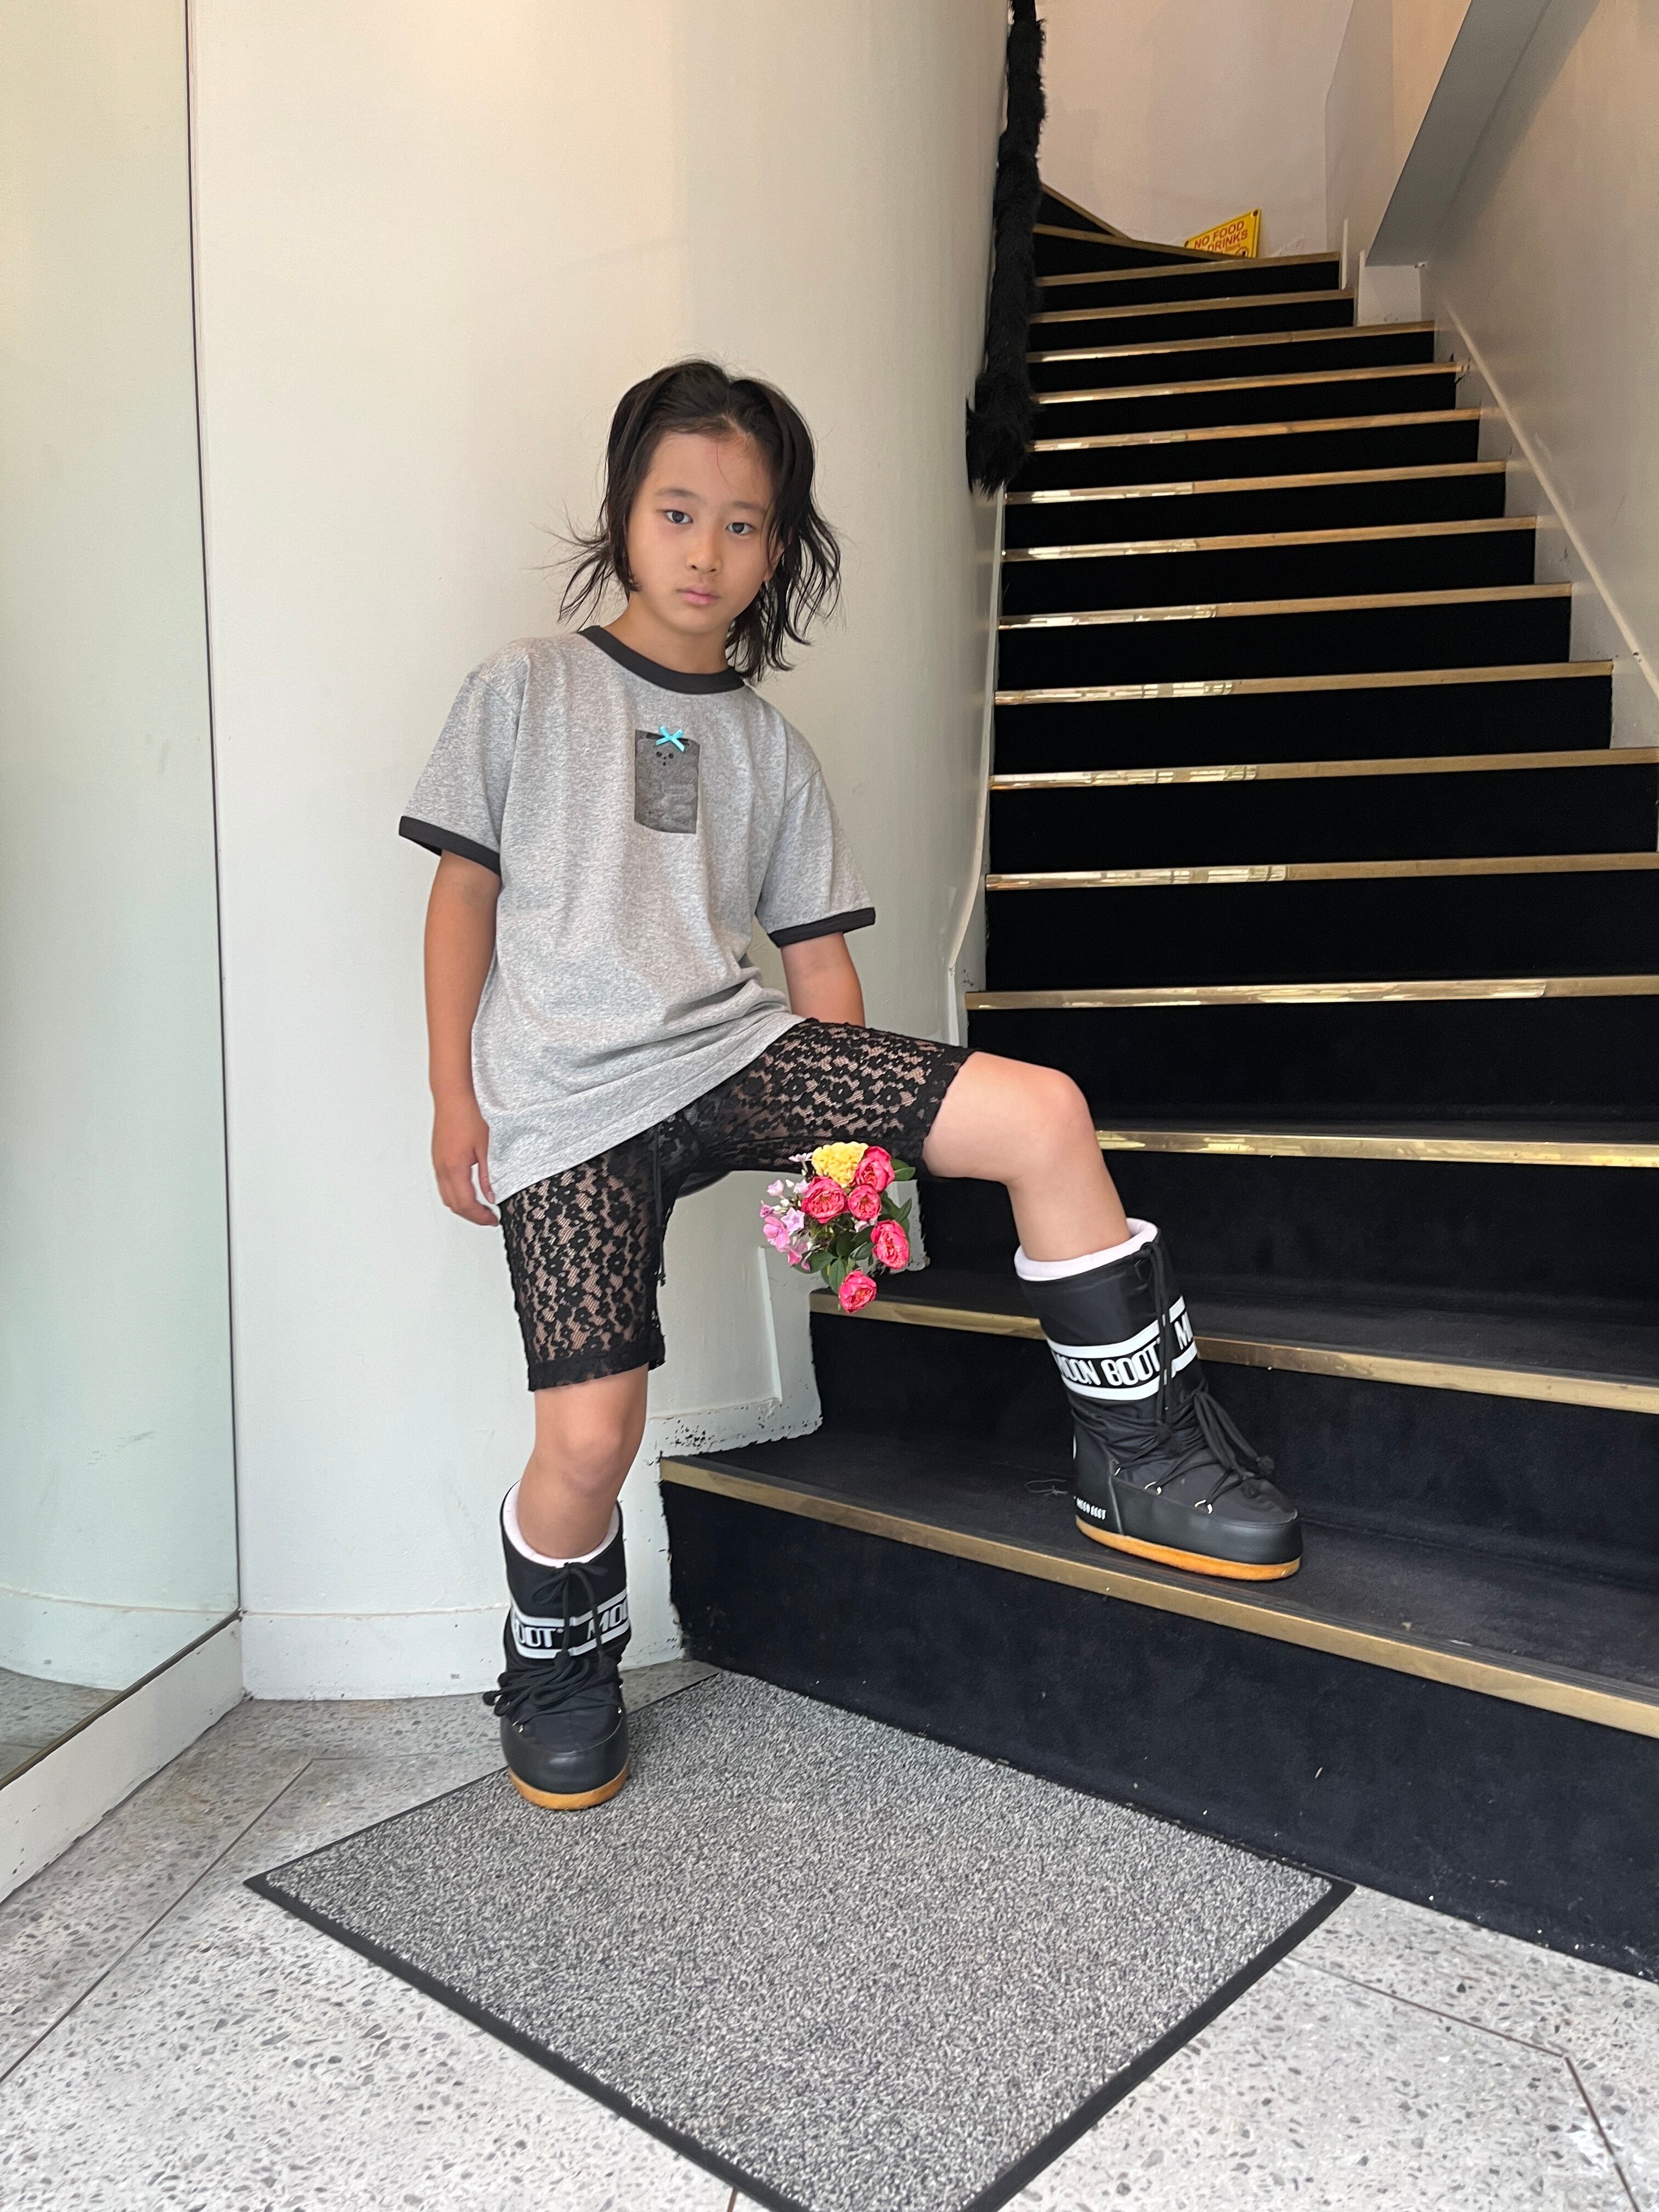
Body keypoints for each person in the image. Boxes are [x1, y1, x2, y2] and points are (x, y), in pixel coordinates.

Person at [401, 360, 1299, 1813]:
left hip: (728, 1050)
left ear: (780, 547)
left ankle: (1139, 1456)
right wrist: (456, 1098)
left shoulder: (770, 748)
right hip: (563, 1099)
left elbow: (817, 964)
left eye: (743, 524)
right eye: (677, 512)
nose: (707, 551)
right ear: (622, 514)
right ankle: (556, 1654)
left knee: (1044, 1113)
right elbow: (461, 896)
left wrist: (847, 1165)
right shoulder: (526, 687)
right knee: (591, 1437)